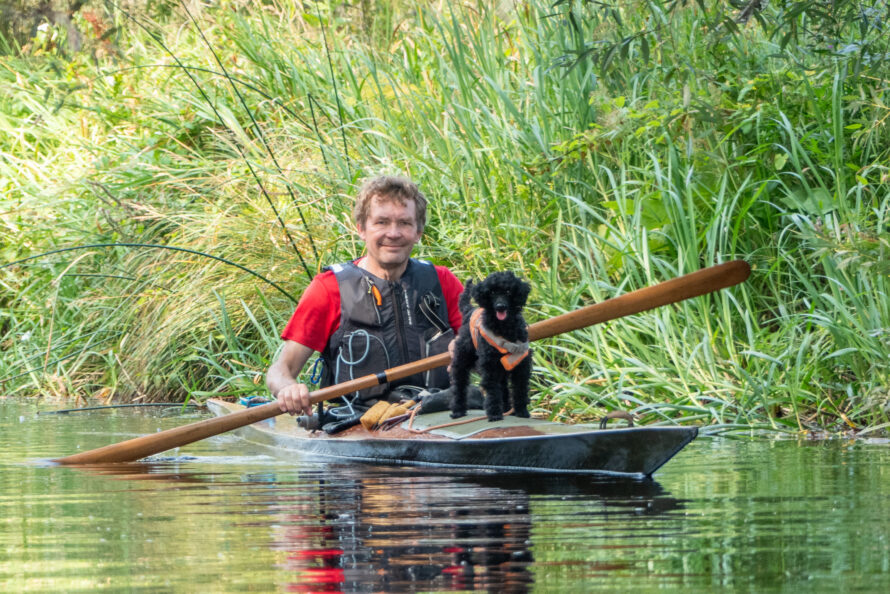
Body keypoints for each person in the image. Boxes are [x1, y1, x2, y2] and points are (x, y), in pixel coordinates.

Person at [267, 176, 464, 418]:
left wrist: (470, 347)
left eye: (404, 223)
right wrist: (288, 388)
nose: (393, 233)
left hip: (438, 414)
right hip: (355, 421)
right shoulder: (328, 289)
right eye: (381, 222)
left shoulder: (443, 282)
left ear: (418, 232)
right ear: (361, 229)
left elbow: (482, 343)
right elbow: (280, 370)